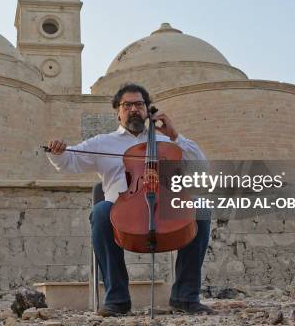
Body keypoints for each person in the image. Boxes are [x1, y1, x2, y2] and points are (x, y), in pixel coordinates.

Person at [47, 83, 213, 316]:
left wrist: (175, 135)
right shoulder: (102, 142)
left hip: (164, 204)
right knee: (101, 212)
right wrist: (59, 152)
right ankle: (117, 299)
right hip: (122, 209)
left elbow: (201, 167)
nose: (134, 109)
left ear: (147, 110)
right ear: (118, 111)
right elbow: (69, 162)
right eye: (128, 105)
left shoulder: (165, 143)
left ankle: (185, 297)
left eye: (139, 104)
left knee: (202, 208)